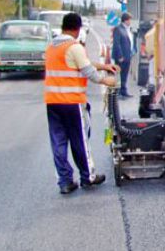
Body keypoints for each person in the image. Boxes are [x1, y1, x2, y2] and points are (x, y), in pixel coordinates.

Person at [44, 12, 119, 194]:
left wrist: (102, 66)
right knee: (80, 140)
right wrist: (105, 80)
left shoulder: (52, 46)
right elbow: (87, 71)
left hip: (53, 103)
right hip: (72, 103)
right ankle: (88, 177)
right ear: (77, 29)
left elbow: (78, 63)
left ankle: (65, 181)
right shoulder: (74, 46)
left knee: (58, 142)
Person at [112, 12, 134, 98]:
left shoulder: (127, 29)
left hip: (128, 55)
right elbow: (117, 43)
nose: (130, 22)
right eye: (129, 20)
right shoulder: (118, 29)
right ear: (125, 20)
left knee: (125, 74)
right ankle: (118, 92)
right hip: (121, 57)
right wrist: (120, 56)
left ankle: (124, 91)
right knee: (119, 74)